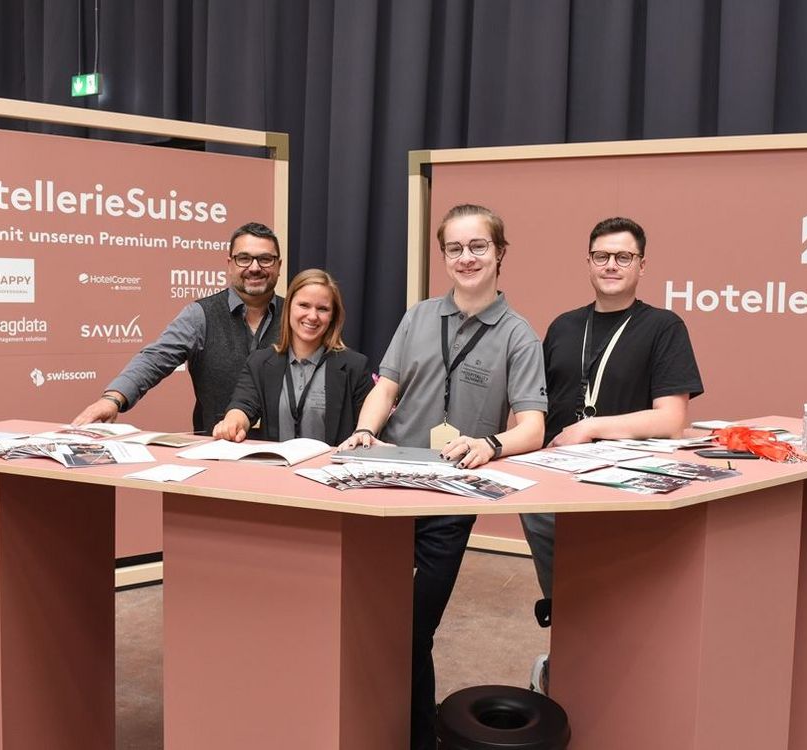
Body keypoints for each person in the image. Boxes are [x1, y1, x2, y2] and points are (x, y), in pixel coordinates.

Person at [337, 204, 547, 750]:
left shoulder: (519, 335)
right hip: (391, 487)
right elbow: (387, 387)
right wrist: (364, 429)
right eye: (455, 248)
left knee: (414, 629)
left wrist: (489, 443)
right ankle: (393, 728)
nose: (466, 258)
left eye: (478, 246)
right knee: (374, 618)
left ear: (500, 253)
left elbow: (533, 427)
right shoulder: (418, 316)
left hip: (452, 498)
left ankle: (413, 735)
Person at [520, 216, 703, 692]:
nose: (611, 265)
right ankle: (564, 671)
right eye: (601, 256)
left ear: (642, 265)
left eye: (624, 256)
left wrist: (592, 427)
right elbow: (535, 405)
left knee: (620, 598)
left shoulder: (663, 327)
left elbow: (671, 419)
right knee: (566, 596)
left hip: (623, 485)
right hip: (554, 487)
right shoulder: (563, 326)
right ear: (588, 262)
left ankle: (620, 689)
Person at [71, 222, 284, 433]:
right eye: (244, 258)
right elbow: (155, 358)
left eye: (265, 259)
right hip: (216, 445)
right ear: (230, 264)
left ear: (279, 266)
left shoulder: (295, 316)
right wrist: (112, 399)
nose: (254, 268)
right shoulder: (200, 315)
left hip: (286, 448)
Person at [213, 269, 373, 445]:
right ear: (288, 307)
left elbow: (368, 428)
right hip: (277, 463)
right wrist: (232, 422)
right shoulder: (259, 362)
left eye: (322, 309)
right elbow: (243, 406)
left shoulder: (355, 367)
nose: (312, 316)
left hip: (331, 463)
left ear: (333, 316)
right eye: (304, 305)